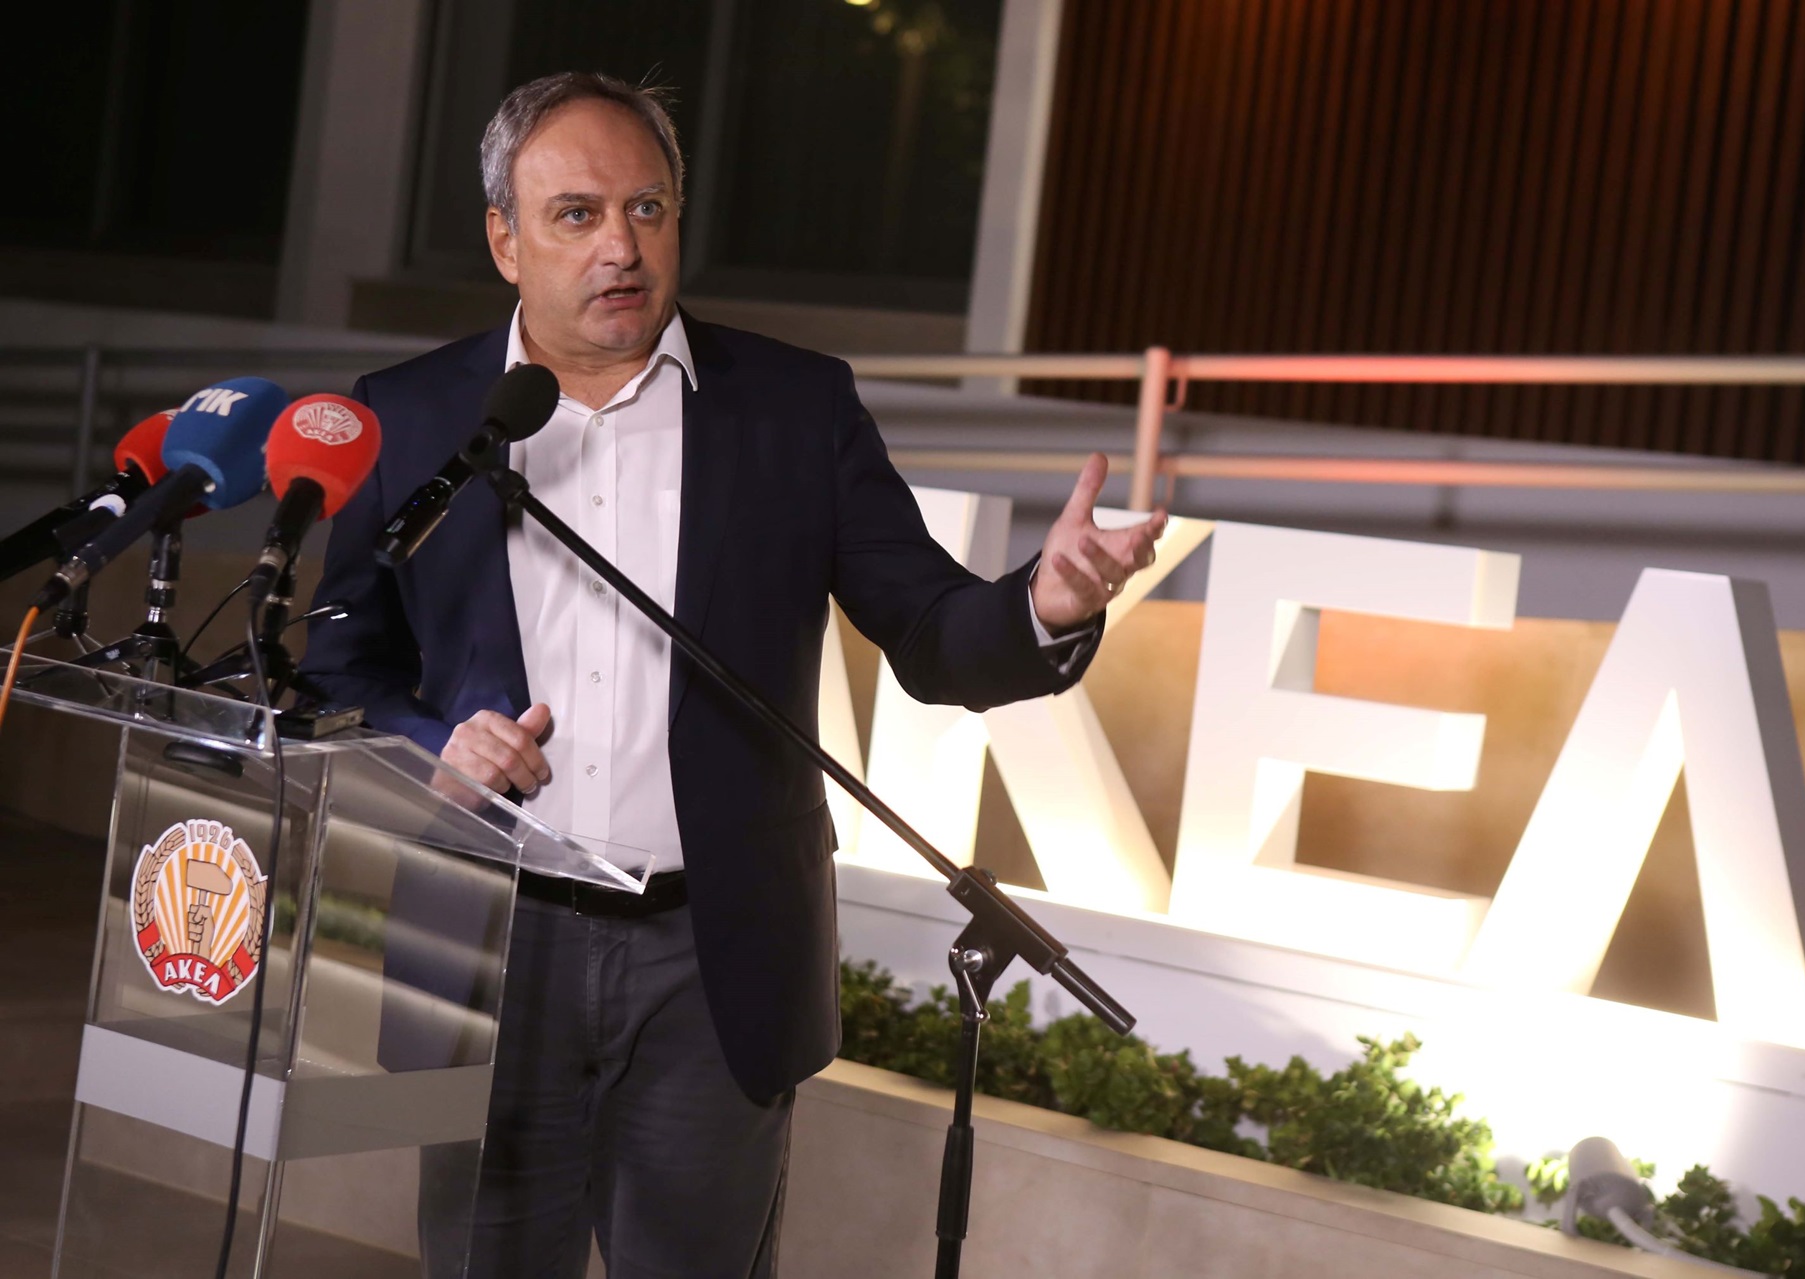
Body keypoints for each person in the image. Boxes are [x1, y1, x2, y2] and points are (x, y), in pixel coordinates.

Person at [304, 71, 1167, 1278]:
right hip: (494, 941)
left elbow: (928, 631)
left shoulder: (793, 408)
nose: (621, 247)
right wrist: (431, 739)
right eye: (576, 214)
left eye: (647, 209)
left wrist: (1044, 603)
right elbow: (339, 669)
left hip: (712, 958)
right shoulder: (409, 416)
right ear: (504, 239)